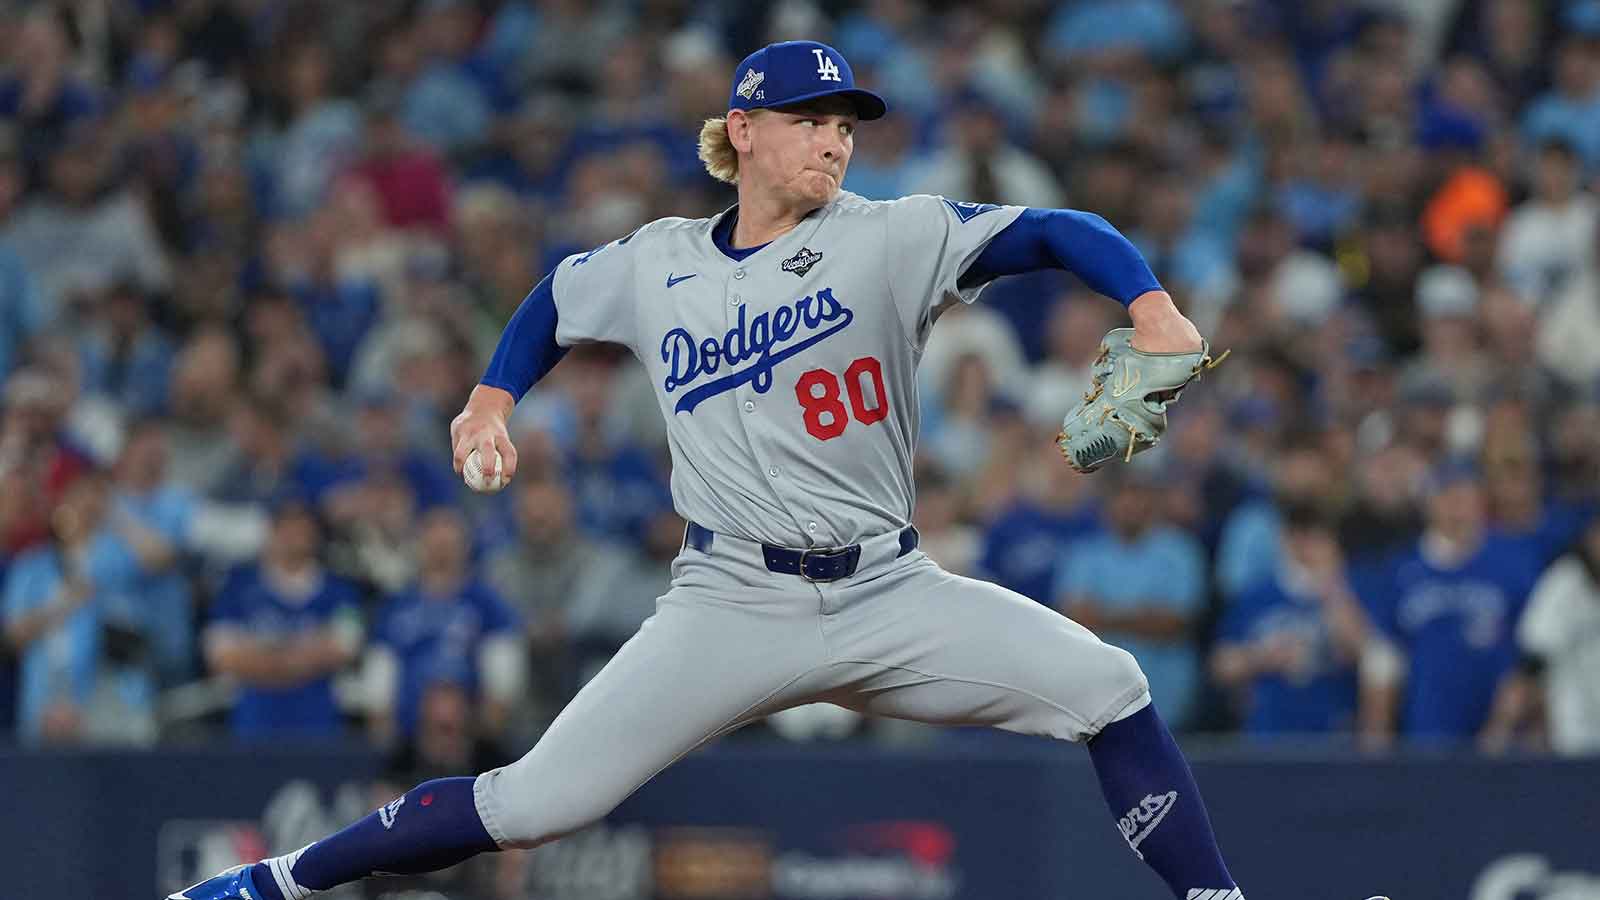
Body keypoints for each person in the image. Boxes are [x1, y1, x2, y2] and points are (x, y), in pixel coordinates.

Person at [174, 40, 1248, 900]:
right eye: (809, 122)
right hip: (730, 598)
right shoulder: (659, 262)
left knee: (1110, 688)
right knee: (531, 807)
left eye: (844, 126)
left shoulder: (894, 236)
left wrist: (1152, 309)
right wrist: (491, 397)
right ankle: (272, 883)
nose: (834, 143)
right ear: (742, 131)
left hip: (889, 587)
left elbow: (1060, 231)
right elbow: (555, 301)